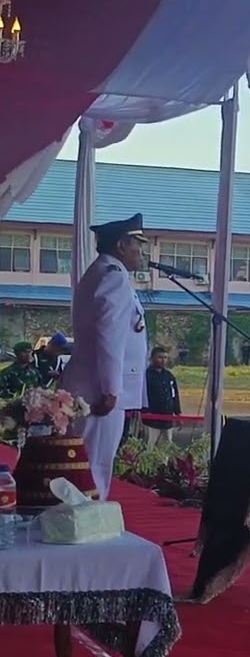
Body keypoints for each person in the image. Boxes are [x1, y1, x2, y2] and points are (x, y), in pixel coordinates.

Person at [60, 213, 151, 500]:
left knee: (84, 462)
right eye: (138, 244)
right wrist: (112, 389)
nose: (141, 252)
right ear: (122, 245)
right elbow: (109, 335)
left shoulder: (101, 272)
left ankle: (82, 522)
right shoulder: (113, 276)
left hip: (89, 383)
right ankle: (88, 527)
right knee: (94, 465)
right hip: (99, 390)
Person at [142, 346, 181, 446]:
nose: (163, 360)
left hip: (167, 418)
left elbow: (174, 395)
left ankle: (163, 462)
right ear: (152, 358)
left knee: (166, 447)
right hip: (151, 419)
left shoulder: (169, 376)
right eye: (160, 357)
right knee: (149, 446)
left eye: (165, 357)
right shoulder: (145, 376)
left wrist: (178, 413)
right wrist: (144, 411)